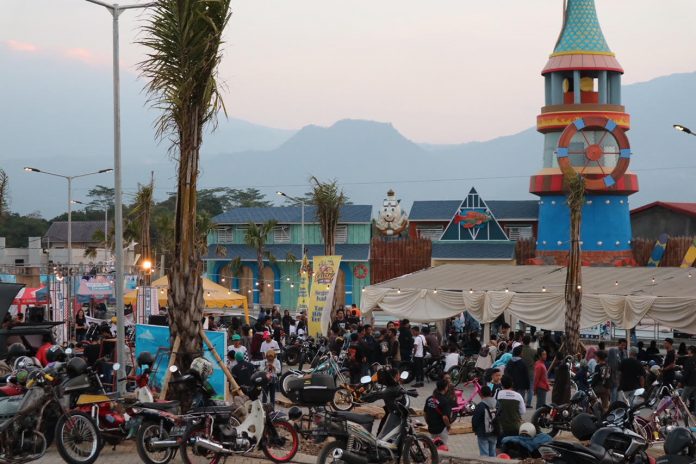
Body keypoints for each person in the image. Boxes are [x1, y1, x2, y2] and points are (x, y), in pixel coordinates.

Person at [424, 379, 453, 452]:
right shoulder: (445, 401)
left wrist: (429, 423)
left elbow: (425, 413)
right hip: (441, 429)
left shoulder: (429, 399)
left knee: (433, 448)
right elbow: (445, 417)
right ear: (445, 388)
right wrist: (448, 426)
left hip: (431, 428)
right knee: (441, 448)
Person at [495, 375, 525, 441]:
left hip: (501, 427)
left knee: (500, 445)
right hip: (515, 426)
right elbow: (523, 411)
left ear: (502, 384)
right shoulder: (518, 396)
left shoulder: (498, 394)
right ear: (512, 384)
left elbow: (494, 408)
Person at [472, 385, 498, 457]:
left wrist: (475, 429)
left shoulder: (480, 405)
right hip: (494, 431)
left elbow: (475, 419)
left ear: (481, 394)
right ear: (491, 393)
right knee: (493, 452)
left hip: (482, 432)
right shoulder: (497, 404)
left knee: (484, 454)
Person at [520, 335, 536, 408]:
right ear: (529, 341)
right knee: (530, 388)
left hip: (521, 371)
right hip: (531, 371)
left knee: (522, 388)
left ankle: (522, 403)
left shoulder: (520, 351)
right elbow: (536, 361)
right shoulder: (534, 351)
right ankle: (528, 404)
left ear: (522, 341)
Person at [681, 346, 696, 413]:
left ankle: (681, 413)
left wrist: (681, 381)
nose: (687, 352)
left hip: (690, 382)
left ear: (690, 351)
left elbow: (687, 373)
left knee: (683, 398)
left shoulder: (689, 360)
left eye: (688, 350)